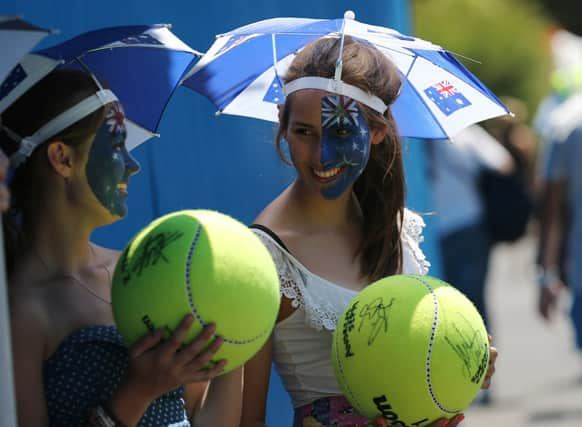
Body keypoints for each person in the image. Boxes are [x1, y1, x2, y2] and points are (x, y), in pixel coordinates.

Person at [240, 37, 497, 427]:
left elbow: (413, 359)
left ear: (376, 131)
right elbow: (246, 421)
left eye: (341, 134)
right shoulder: (263, 256)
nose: (322, 155)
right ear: (282, 121)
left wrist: (456, 364)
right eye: (305, 132)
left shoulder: (396, 226)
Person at [1, 69, 242, 426]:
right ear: (62, 158)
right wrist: (139, 390)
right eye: (116, 145)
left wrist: (238, 333)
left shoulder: (146, 271)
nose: (133, 165)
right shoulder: (20, 310)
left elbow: (200, 416)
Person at [429, 124, 515, 329]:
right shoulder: (460, 132)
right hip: (461, 226)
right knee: (464, 307)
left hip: (453, 229)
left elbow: (502, 163)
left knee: (454, 308)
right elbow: (502, 162)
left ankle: (478, 356)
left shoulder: (455, 133)